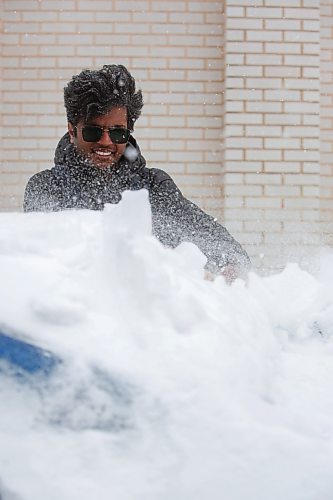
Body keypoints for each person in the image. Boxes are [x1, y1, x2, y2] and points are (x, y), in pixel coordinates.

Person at [23, 64, 250, 282]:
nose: (105, 142)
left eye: (117, 133)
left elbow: (222, 246)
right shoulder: (46, 188)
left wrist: (230, 266)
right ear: (72, 130)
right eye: (93, 131)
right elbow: (42, 265)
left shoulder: (153, 187)